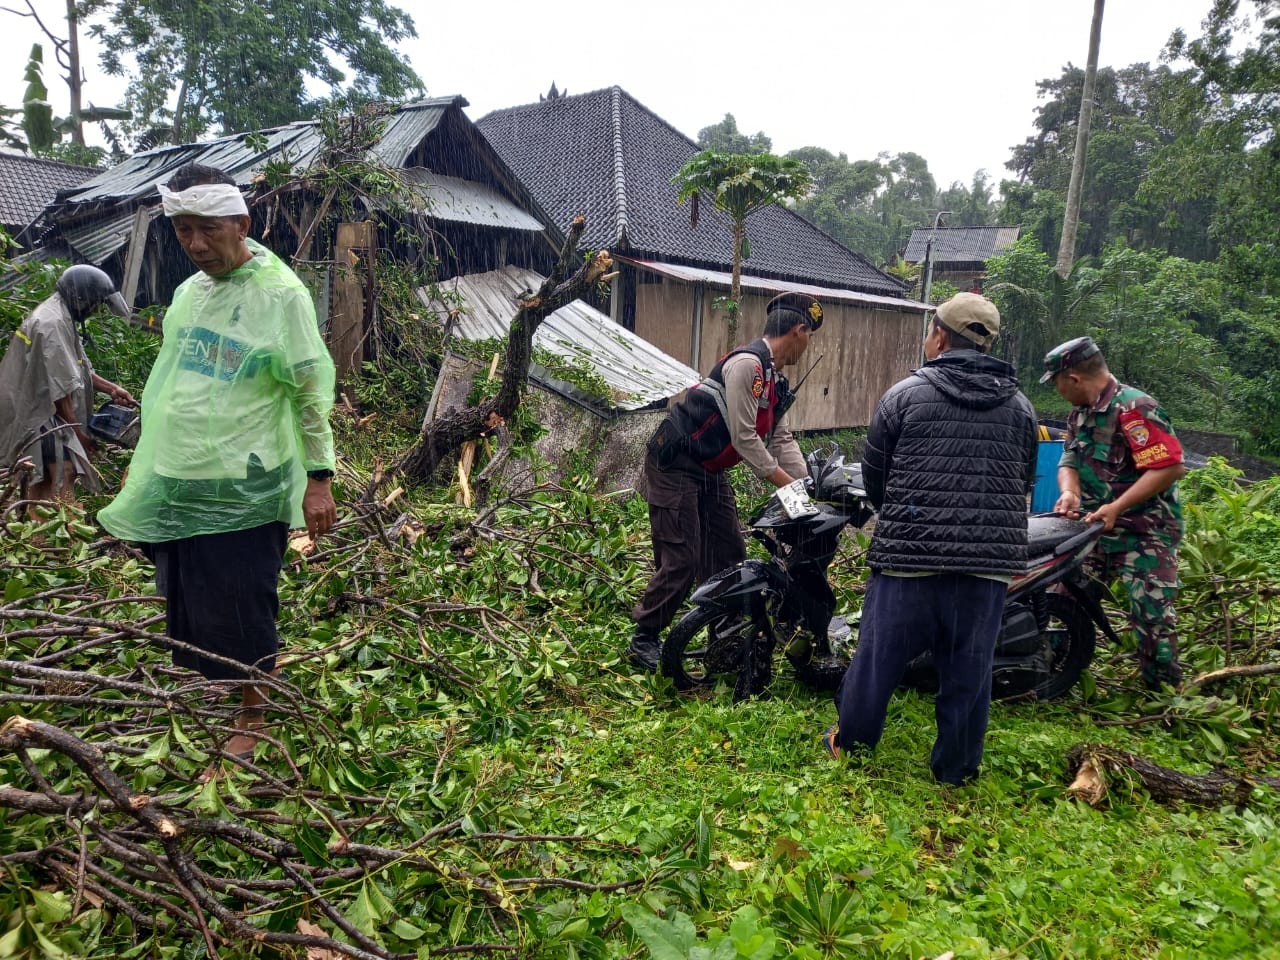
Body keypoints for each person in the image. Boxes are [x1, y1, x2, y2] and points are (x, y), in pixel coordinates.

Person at [97, 163, 338, 765]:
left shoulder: (281, 295)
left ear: (241, 222)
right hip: (180, 471)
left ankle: (254, 710)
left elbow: (309, 390)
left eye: (208, 229)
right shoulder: (188, 294)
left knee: (240, 598)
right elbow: (171, 383)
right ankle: (217, 680)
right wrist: (146, 461)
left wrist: (318, 478)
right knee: (185, 590)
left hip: (245, 478)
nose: (196, 245)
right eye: (183, 232)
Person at [827, 292, 1037, 786]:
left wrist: (905, 518)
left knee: (878, 660)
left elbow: (875, 477)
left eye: (930, 329)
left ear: (940, 336)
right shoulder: (1023, 409)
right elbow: (1022, 481)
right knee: (969, 670)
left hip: (908, 560)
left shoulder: (904, 396)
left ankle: (853, 746)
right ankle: (956, 768)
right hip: (984, 567)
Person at [627, 292, 822, 671]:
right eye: (810, 334)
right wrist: (787, 488)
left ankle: (724, 632)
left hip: (709, 470)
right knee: (682, 557)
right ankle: (644, 638)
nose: (809, 343)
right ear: (799, 331)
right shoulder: (747, 367)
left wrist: (807, 487)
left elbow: (779, 439)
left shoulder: (773, 381)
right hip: (675, 464)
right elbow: (744, 438)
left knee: (728, 553)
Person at [1042, 336, 1186, 690]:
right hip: (1094, 528)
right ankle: (1053, 673)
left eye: (1058, 382)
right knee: (1063, 602)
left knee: (1151, 615)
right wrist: (1069, 491)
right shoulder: (1080, 413)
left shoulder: (1134, 408)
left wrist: (1118, 507)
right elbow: (1069, 459)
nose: (1058, 390)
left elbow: (1169, 467)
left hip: (1145, 533)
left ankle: (1164, 696)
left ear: (1073, 378)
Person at [0, 265, 136, 517]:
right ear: (81, 298)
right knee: (61, 471)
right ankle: (62, 533)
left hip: (40, 411)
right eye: (96, 304)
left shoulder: (60, 316)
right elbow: (61, 391)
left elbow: (80, 369)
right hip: (39, 413)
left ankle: (38, 530)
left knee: (42, 475)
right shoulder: (51, 323)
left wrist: (113, 389)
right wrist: (79, 436)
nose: (96, 310)